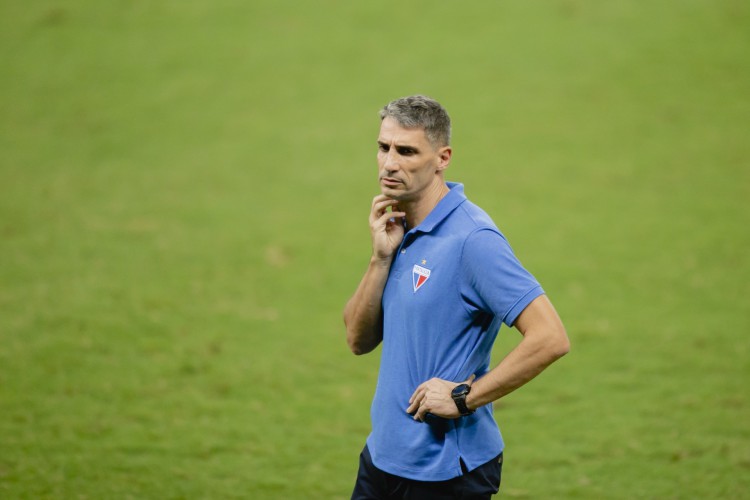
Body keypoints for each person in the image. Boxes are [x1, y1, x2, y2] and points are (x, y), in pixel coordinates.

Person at [343, 95, 570, 499]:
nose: (390, 163)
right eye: (384, 147)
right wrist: (380, 258)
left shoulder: (473, 240)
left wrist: (464, 398)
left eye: (407, 151)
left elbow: (550, 337)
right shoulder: (398, 228)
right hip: (382, 459)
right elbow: (357, 340)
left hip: (445, 475)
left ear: (442, 157)